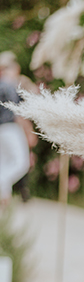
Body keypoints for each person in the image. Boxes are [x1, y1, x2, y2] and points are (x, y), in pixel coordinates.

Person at [0, 62, 30, 207]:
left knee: (4, 162)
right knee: (21, 163)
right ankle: (2, 182)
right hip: (11, 129)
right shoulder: (9, 86)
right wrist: (28, 132)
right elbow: (17, 112)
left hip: (1, 131)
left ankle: (4, 198)